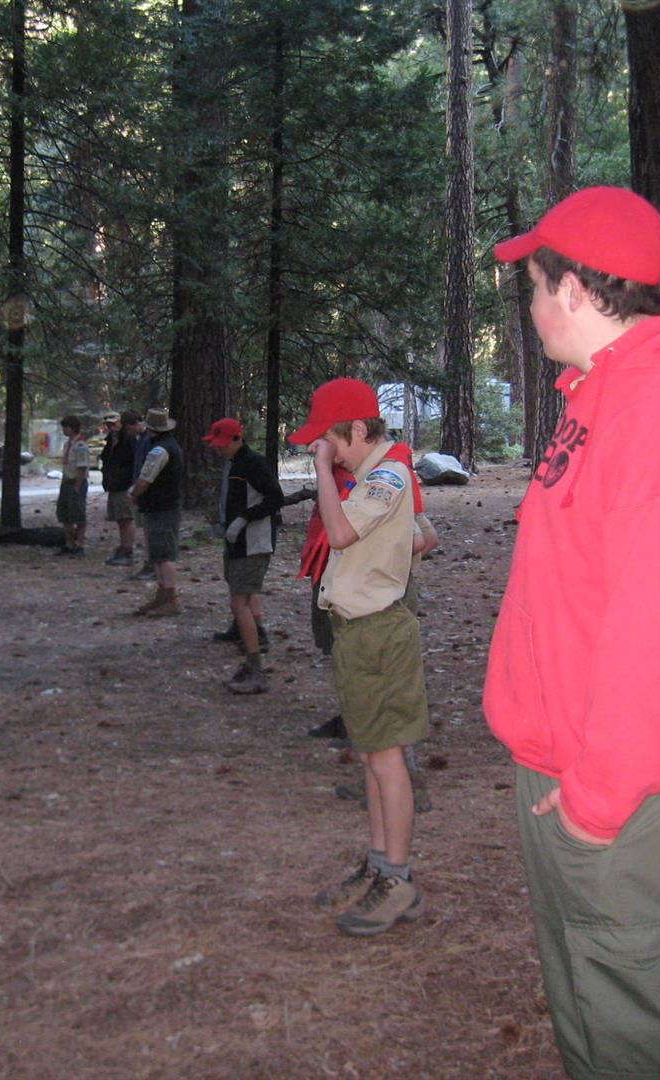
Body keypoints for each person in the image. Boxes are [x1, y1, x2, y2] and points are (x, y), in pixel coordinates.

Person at [483, 185, 660, 1079]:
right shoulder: (600, 397)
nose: (530, 307)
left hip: (638, 791)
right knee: (590, 1017)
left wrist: (598, 799)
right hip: (574, 765)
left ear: (571, 289)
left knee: (638, 1038)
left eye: (534, 286)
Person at [289, 378, 429, 937]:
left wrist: (323, 471)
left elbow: (342, 533)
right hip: (358, 629)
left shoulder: (388, 474)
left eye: (328, 439)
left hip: (379, 633)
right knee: (372, 756)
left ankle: (399, 878)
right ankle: (378, 864)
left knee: (386, 760)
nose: (323, 449)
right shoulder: (374, 474)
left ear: (356, 429)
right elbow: (413, 538)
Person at [202, 417, 284, 695]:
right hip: (238, 542)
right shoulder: (235, 463)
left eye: (222, 443)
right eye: (215, 443)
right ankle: (252, 644)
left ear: (238, 439)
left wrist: (245, 518)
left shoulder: (253, 463)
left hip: (254, 543)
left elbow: (275, 498)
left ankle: (255, 668)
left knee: (240, 603)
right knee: (243, 597)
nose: (218, 448)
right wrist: (226, 523)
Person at [129, 407, 184, 616]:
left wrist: (135, 493)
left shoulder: (159, 451)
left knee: (164, 555)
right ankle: (162, 596)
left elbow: (145, 479)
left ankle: (170, 598)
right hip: (164, 505)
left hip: (161, 507)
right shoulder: (170, 446)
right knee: (159, 554)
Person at [99, 410, 138, 566]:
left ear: (120, 423)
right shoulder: (110, 441)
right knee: (120, 519)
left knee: (126, 518)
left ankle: (128, 550)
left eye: (114, 423)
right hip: (114, 484)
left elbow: (133, 462)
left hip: (125, 484)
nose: (111, 427)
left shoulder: (128, 439)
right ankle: (123, 547)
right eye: (108, 424)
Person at [54, 415, 91, 555]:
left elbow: (82, 467)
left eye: (66, 427)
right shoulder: (67, 444)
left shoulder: (80, 445)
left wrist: (77, 486)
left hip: (77, 482)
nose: (64, 430)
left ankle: (79, 544)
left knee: (78, 514)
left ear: (72, 428)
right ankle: (69, 543)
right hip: (67, 482)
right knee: (65, 514)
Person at [128, 412, 157, 580]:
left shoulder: (149, 442)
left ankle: (153, 564)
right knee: (145, 530)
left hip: (145, 490)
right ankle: (149, 561)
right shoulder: (141, 441)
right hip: (139, 487)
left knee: (150, 530)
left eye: (130, 428)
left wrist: (139, 489)